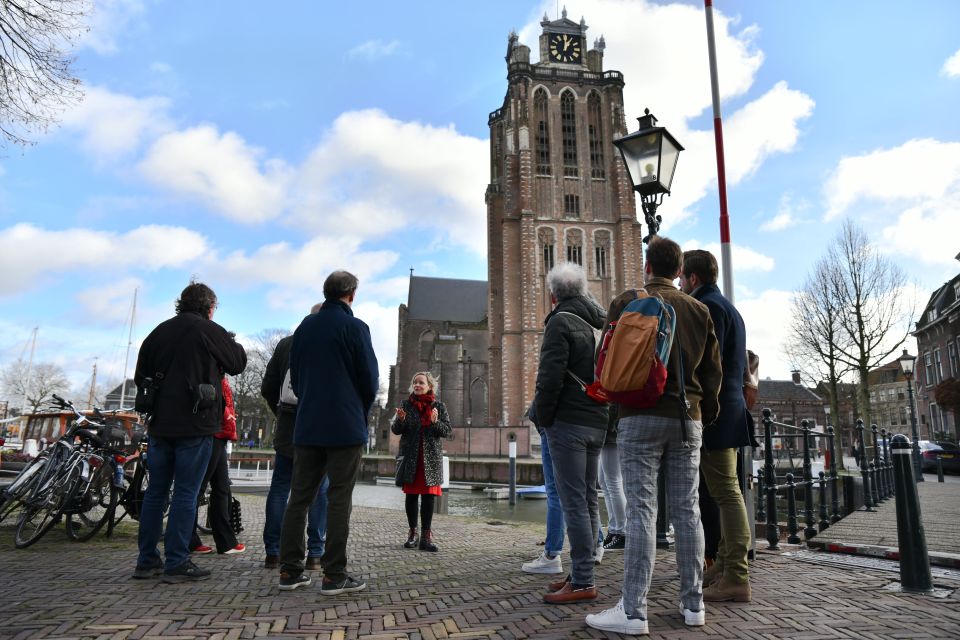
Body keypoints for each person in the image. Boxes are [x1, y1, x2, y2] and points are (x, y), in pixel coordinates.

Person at [586, 237, 721, 635]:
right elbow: (713, 373)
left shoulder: (627, 300)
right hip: (687, 419)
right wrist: (703, 414)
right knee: (687, 510)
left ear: (648, 265)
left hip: (639, 416)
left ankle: (633, 611)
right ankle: (693, 605)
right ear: (679, 271)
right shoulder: (699, 309)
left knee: (642, 510)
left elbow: (605, 360)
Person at [131, 280, 247, 582]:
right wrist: (231, 342)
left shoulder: (158, 332)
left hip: (160, 425)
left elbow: (140, 377)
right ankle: (177, 561)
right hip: (195, 425)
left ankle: (146, 561)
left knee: (156, 492)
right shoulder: (208, 330)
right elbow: (236, 363)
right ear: (210, 307)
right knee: (186, 491)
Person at [278, 270, 379, 594]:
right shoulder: (355, 327)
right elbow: (370, 380)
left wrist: (310, 401)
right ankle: (334, 574)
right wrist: (357, 409)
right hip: (344, 427)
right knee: (338, 499)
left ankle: (290, 570)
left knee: (299, 498)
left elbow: (295, 377)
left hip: (307, 425)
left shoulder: (305, 328)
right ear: (351, 295)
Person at [680, 249, 754, 602]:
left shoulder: (706, 307)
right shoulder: (729, 307)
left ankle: (737, 574)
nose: (680, 283)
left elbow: (707, 366)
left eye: (682, 278)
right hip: (731, 409)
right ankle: (724, 564)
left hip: (717, 413)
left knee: (726, 492)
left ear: (693, 279)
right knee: (725, 491)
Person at [534, 262, 609, 605]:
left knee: (574, 501)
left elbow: (549, 379)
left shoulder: (560, 321)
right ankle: (584, 569)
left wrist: (543, 419)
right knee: (589, 498)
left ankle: (582, 581)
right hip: (597, 420)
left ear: (553, 295)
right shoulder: (601, 320)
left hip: (569, 423)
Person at [260, 306, 329, 571]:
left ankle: (274, 552)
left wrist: (280, 412)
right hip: (320, 427)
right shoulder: (332, 343)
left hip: (289, 427)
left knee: (280, 488)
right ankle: (315, 553)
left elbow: (268, 387)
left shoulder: (286, 344)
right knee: (320, 490)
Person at [392, 371, 452, 552]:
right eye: (415, 382)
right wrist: (401, 420)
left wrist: (434, 422)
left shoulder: (438, 406)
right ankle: (413, 534)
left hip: (430, 458)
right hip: (411, 457)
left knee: (428, 497)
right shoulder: (405, 405)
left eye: (421, 383)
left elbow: (447, 430)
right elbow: (396, 430)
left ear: (429, 386)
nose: (417, 385)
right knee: (411, 496)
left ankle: (426, 537)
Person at [190, 377, 245, 555]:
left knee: (222, 487)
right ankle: (188, 539)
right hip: (211, 432)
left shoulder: (219, 372)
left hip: (220, 433)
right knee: (198, 487)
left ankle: (226, 541)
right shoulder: (211, 368)